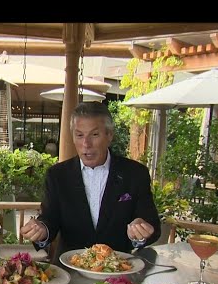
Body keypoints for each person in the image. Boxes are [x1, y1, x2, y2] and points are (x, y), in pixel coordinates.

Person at [20, 102, 161, 262]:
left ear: (109, 135)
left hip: (118, 269)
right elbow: (49, 219)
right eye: (79, 135)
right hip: (69, 267)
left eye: (94, 135)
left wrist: (141, 232)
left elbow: (152, 225)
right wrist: (42, 230)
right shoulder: (57, 175)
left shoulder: (135, 174)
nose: (86, 144)